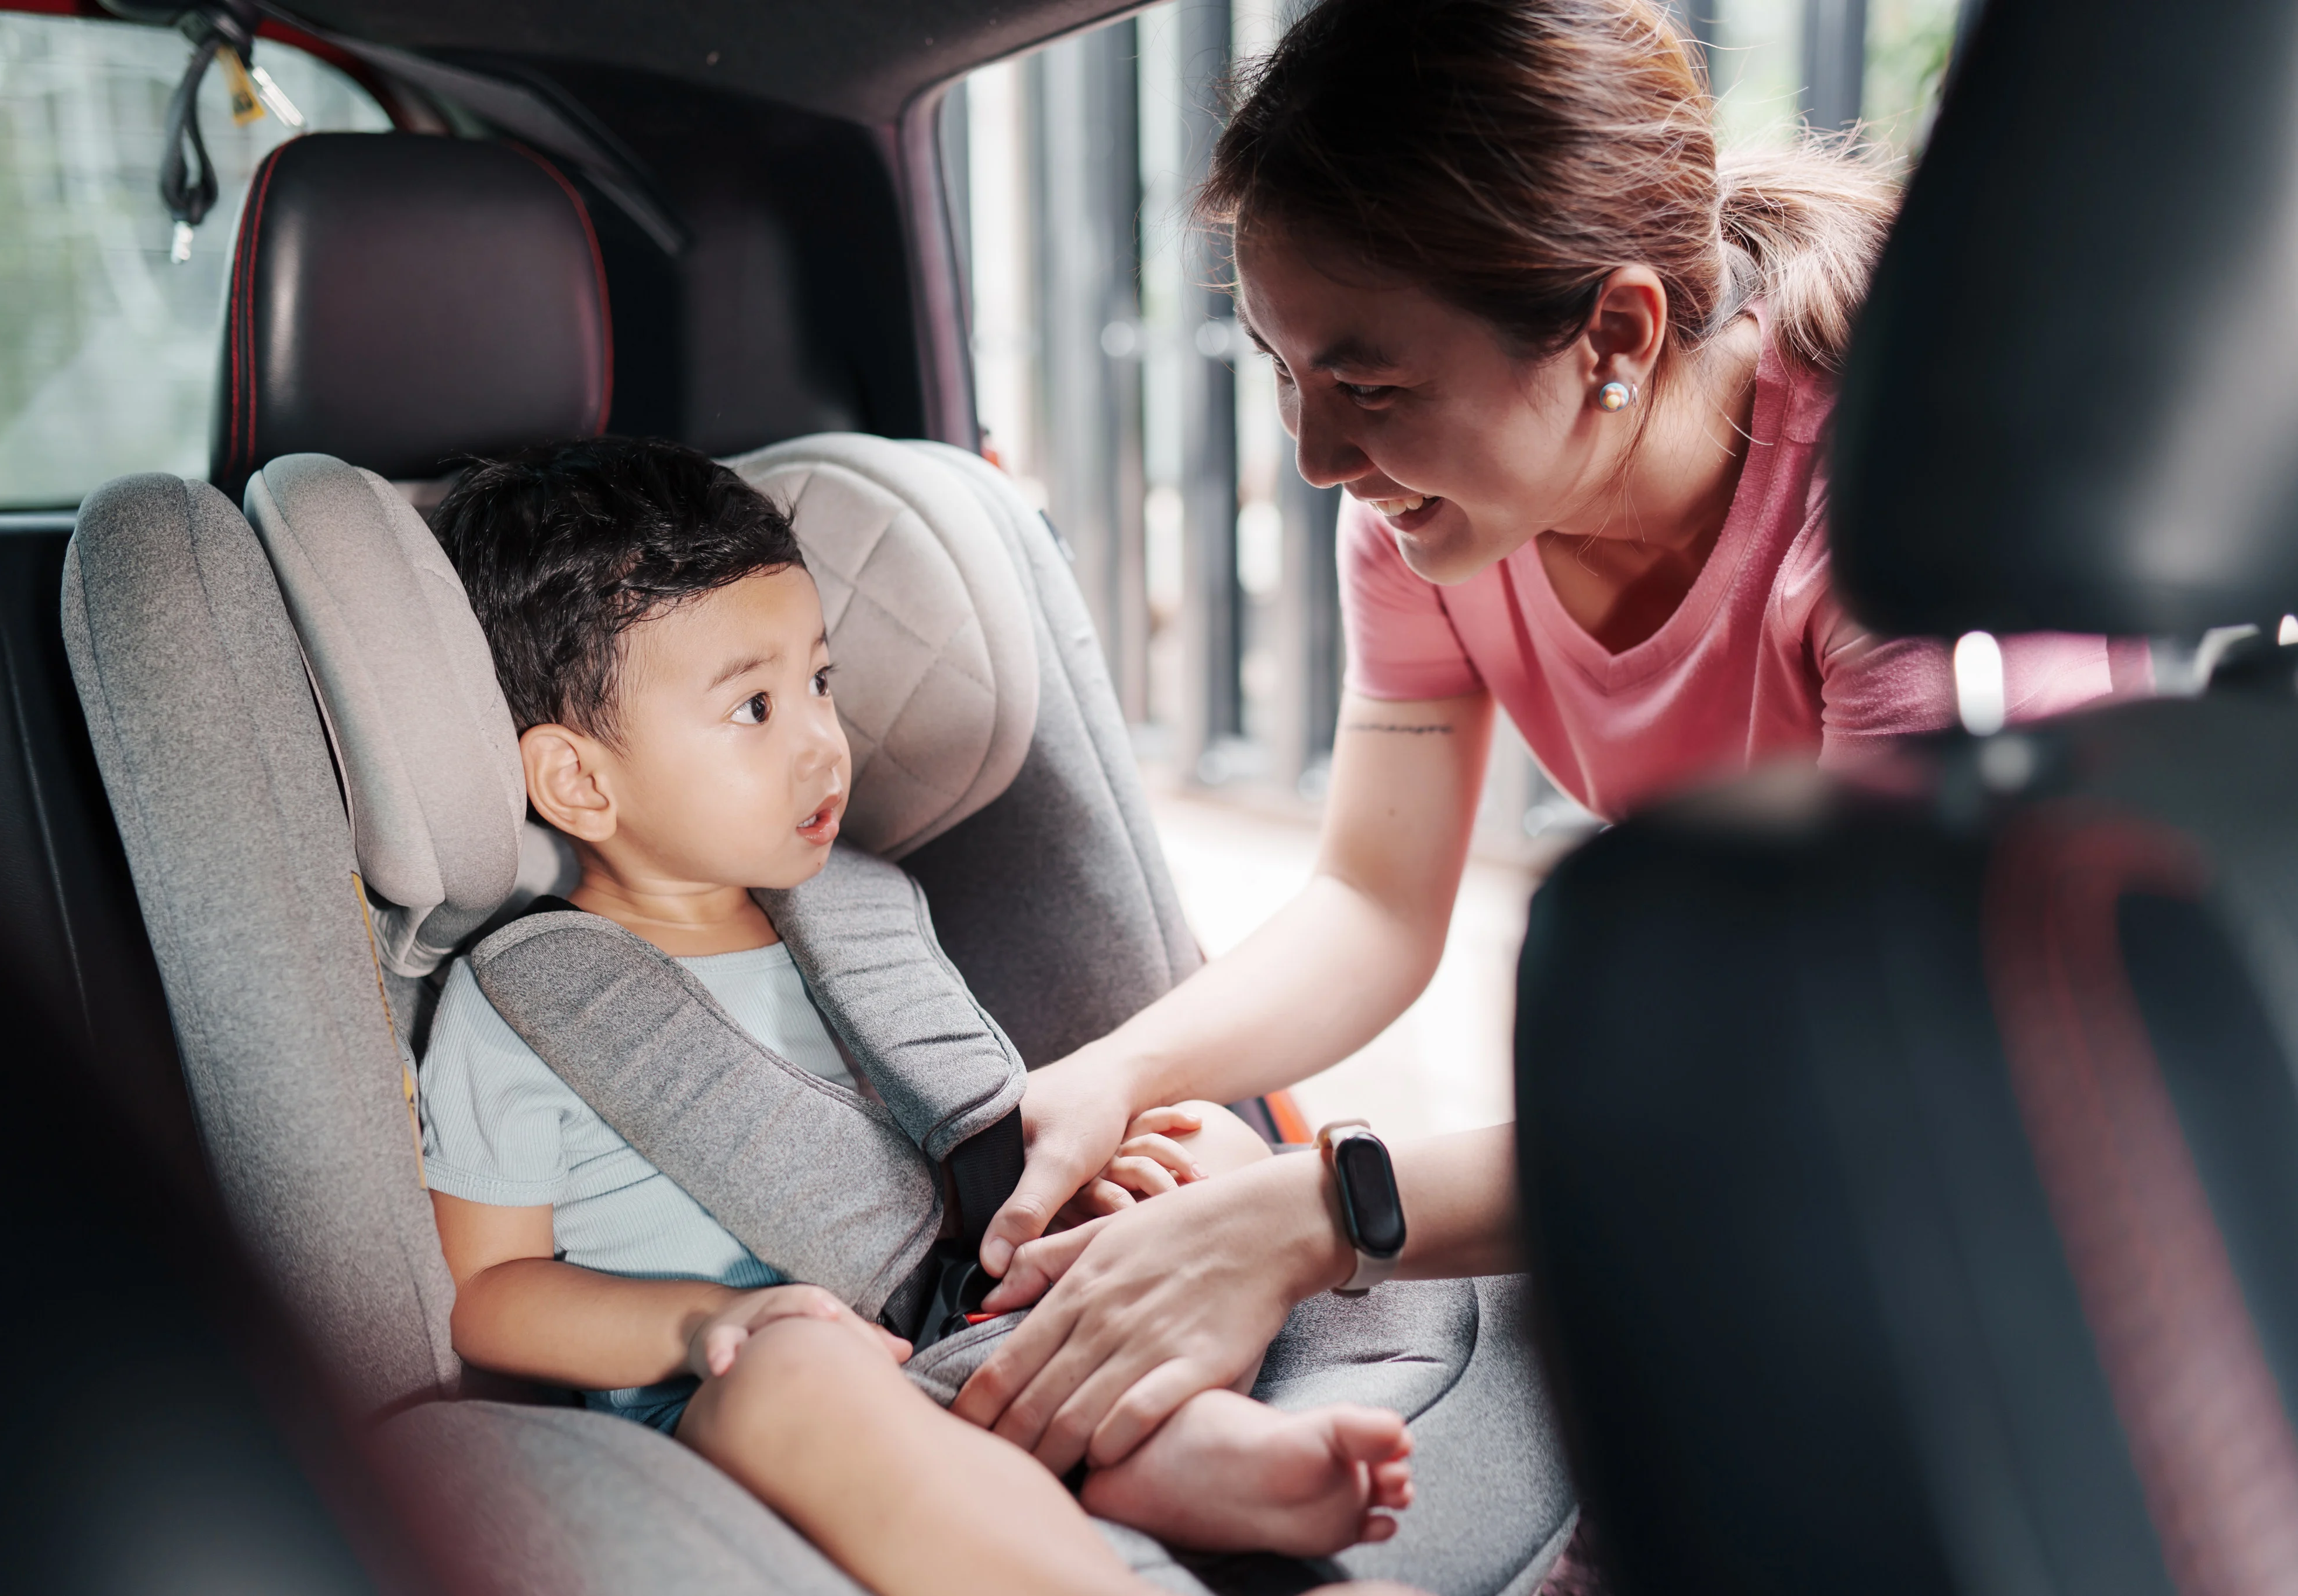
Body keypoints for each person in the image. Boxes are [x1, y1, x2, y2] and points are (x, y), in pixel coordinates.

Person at [953, 0, 2145, 1474]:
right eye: (1281, 368)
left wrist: (1321, 1210)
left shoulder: (1903, 528)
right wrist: (1115, 1077)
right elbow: (1373, 901)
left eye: (1369, 385)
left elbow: (1878, 1073)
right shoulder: (1432, 518)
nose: (1316, 458)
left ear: (1616, 335)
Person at [412, 436, 1419, 1596]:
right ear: (581, 781)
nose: (820, 740)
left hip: (971, 1313)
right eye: (753, 707)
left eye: (820, 683)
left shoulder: (858, 915)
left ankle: (1186, 1450)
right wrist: (701, 1325)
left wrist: (1070, 1181)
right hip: (750, 1396)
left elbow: (942, 1143)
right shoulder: (525, 1008)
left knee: (1207, 1152)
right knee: (795, 1374)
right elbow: (489, 1293)